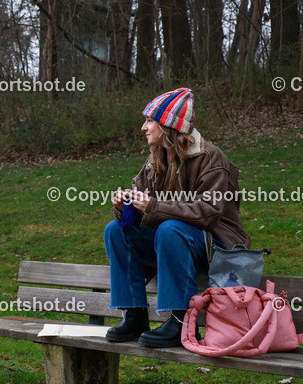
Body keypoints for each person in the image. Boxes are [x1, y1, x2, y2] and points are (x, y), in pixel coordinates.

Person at [104, 88, 251, 348]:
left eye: (150, 120)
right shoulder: (154, 162)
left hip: (219, 250)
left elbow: (208, 213)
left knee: (170, 228)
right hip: (174, 243)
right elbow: (145, 213)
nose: (143, 127)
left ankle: (181, 320)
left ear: (168, 125)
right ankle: (135, 315)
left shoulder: (210, 158)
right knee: (116, 230)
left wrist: (154, 206)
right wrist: (124, 206)